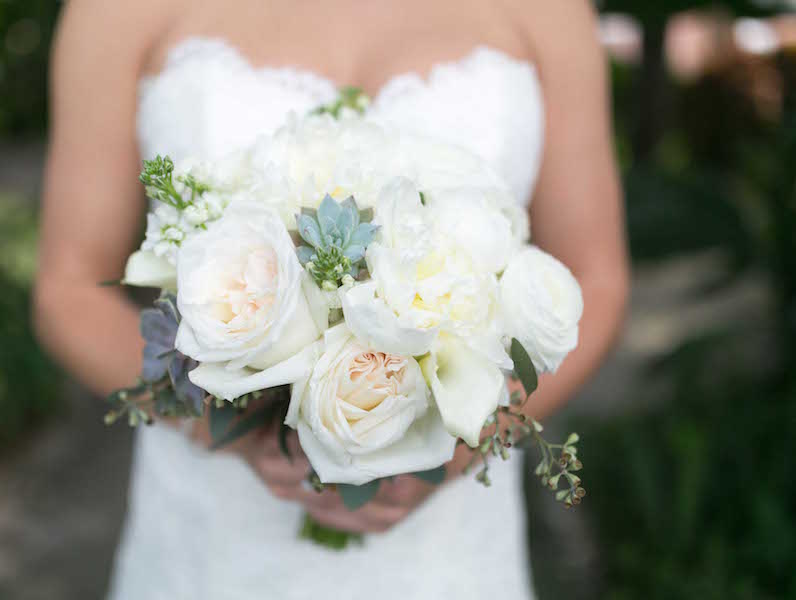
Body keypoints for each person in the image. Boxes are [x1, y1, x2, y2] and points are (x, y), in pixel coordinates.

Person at [34, 0, 629, 598]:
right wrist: (233, 427)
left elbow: (596, 280)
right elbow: (68, 290)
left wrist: (464, 439)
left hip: (447, 552)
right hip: (213, 543)